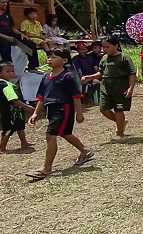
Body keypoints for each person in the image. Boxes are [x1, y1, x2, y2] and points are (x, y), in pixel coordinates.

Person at [26, 48, 94, 180]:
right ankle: (85, 151)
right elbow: (41, 97)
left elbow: (76, 97)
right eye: (49, 57)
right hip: (51, 109)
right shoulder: (46, 76)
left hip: (63, 108)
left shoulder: (68, 76)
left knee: (50, 135)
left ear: (64, 60)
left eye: (54, 57)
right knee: (65, 133)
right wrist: (35, 113)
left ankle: (46, 168)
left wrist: (79, 113)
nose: (49, 59)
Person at [81, 36, 137, 142]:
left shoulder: (124, 58)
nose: (105, 49)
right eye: (104, 47)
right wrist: (90, 77)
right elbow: (101, 73)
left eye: (108, 47)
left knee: (118, 110)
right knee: (103, 109)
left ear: (116, 46)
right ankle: (122, 122)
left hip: (120, 87)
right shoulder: (104, 58)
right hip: (106, 87)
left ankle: (120, 134)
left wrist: (131, 88)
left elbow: (132, 74)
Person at [0, 0, 41, 73]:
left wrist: (21, 34)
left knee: (30, 43)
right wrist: (7, 37)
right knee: (5, 44)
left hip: (10, 34)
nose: (5, 4)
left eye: (6, 2)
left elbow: (12, 28)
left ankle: (32, 67)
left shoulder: (7, 15)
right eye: (3, 2)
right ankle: (9, 70)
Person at [0, 61, 34, 153]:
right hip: (9, 113)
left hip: (15, 112)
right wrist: (26, 107)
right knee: (8, 129)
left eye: (12, 71)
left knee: (20, 126)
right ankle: (2, 148)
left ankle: (24, 143)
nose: (11, 73)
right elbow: (14, 99)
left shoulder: (4, 84)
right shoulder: (6, 86)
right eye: (7, 72)